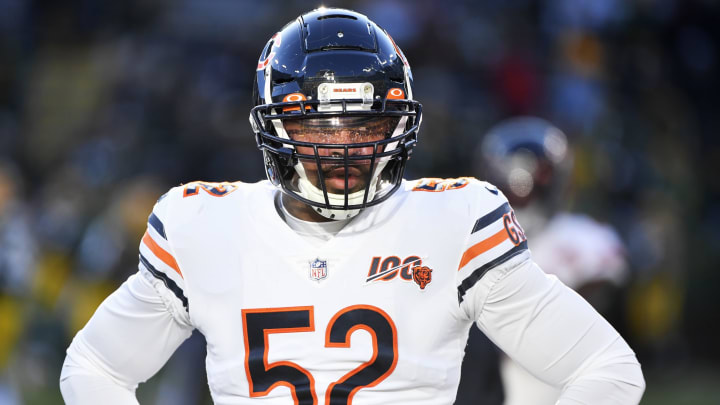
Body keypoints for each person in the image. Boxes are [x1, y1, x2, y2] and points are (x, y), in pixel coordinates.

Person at [60, 8, 645, 404]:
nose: (344, 146)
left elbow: (608, 368)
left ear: (398, 126)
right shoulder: (201, 225)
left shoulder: (456, 222)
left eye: (365, 123)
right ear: (275, 125)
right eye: (319, 124)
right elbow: (93, 366)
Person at [456, 117, 631, 405]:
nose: (521, 191)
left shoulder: (582, 238)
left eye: (530, 180)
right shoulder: (467, 240)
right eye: (511, 181)